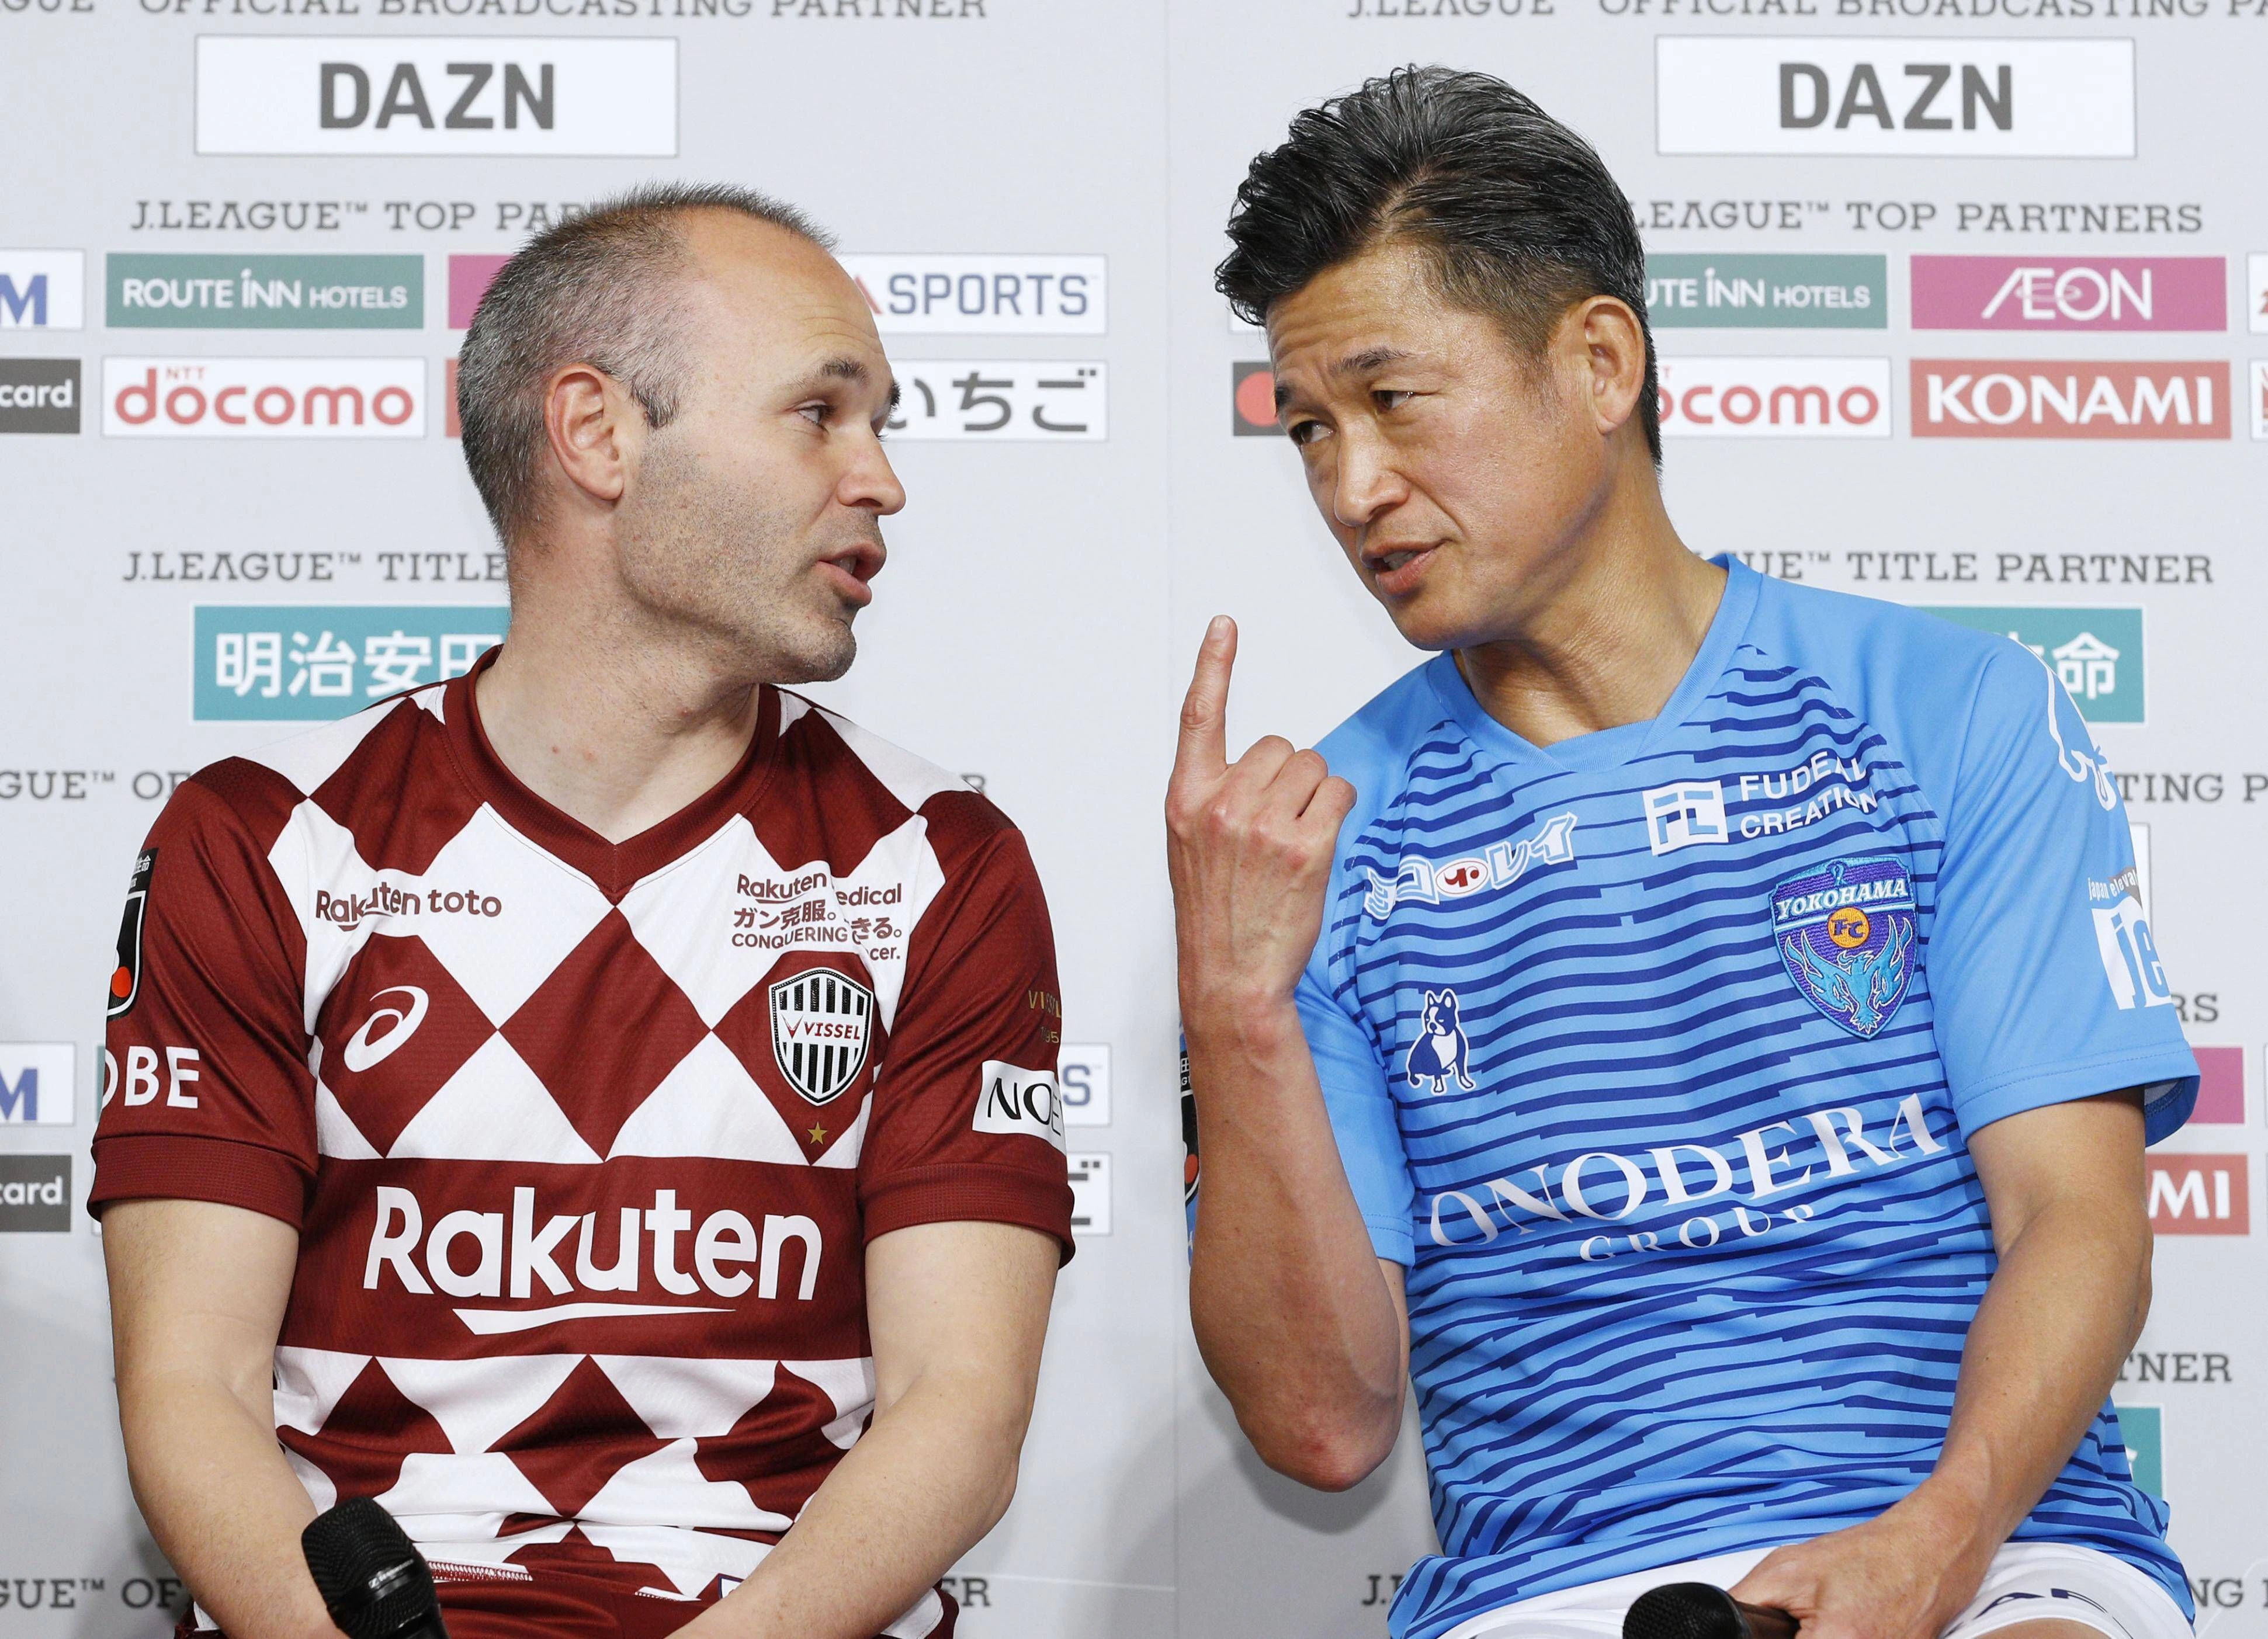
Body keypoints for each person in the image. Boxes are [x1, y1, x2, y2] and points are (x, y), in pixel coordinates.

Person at [1168, 67, 2197, 1639]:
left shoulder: (1949, 708)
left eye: (1393, 399)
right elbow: (1323, 1426)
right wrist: (1238, 1003)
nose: (1350, 486)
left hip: (1994, 1541)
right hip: (1551, 1590)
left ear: (1596, 360)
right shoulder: (1321, 840)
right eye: (1308, 427)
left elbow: (2078, 1217)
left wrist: (1935, 1534)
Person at [93, 183, 1073, 1639]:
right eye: (821, 411)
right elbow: (195, 1389)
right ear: (598, 433)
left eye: (883, 420)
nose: (881, 479)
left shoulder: (941, 857)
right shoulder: (261, 833)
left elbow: (959, 1412)